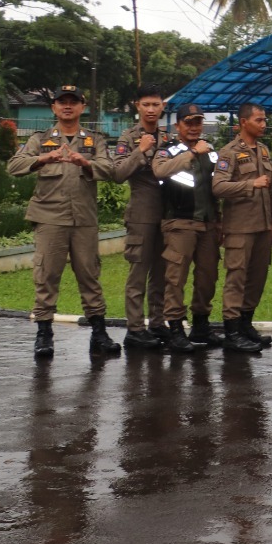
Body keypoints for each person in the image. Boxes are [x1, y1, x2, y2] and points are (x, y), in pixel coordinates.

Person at [9, 85, 118, 358]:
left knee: (90, 275)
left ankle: (99, 333)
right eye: (62, 102)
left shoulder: (94, 140)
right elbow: (14, 166)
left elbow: (110, 169)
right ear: (54, 108)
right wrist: (42, 158)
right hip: (49, 218)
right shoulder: (41, 139)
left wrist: (87, 163)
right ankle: (44, 334)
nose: (67, 106)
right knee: (46, 275)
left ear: (83, 107)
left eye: (73, 101)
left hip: (83, 219)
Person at [149, 104, 220, 353]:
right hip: (179, 223)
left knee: (208, 276)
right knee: (175, 278)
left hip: (208, 224)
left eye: (198, 122)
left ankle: (201, 324)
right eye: (188, 122)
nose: (194, 127)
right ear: (177, 125)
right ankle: (176, 328)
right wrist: (191, 153)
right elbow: (159, 171)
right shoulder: (167, 150)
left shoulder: (210, 151)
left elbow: (218, 184)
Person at [213, 102, 272, 354]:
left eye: (265, 120)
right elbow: (218, 187)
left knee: (257, 277)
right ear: (244, 122)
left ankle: (245, 325)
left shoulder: (263, 150)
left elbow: (270, 189)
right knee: (236, 278)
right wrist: (250, 184)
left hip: (262, 226)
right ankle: (231, 332)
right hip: (240, 228)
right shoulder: (229, 152)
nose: (264, 124)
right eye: (259, 120)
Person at [111, 84, 169, 350]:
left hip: (167, 214)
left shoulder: (169, 138)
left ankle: (157, 322)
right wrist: (141, 150)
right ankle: (135, 329)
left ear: (163, 106)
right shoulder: (129, 138)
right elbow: (117, 173)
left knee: (161, 272)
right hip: (141, 215)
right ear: (137, 106)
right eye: (146, 104)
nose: (151, 109)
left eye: (156, 104)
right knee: (138, 272)